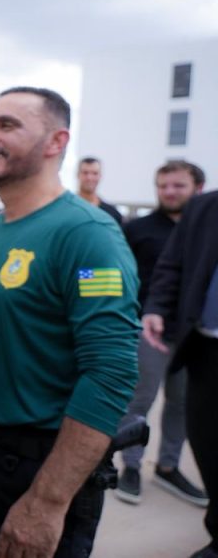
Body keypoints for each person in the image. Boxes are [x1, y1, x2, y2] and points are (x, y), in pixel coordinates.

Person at [0, 86, 139, 558]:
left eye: (6, 125)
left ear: (56, 142)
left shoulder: (88, 236)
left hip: (42, 461)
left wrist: (48, 501)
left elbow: (110, 373)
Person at [115, 160, 207, 507]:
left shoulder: (207, 230)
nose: (169, 192)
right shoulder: (137, 229)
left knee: (181, 404)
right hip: (145, 331)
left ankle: (168, 466)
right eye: (163, 185)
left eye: (178, 185)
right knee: (140, 400)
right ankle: (131, 466)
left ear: (197, 188)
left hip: (191, 334)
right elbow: (120, 278)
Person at [141, 189, 218, 558]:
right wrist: (156, 307)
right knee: (206, 441)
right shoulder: (204, 208)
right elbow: (171, 265)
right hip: (203, 347)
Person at [77, 156, 123, 224]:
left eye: (95, 173)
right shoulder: (66, 209)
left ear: (100, 176)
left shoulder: (111, 214)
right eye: (85, 173)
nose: (89, 177)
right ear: (78, 174)